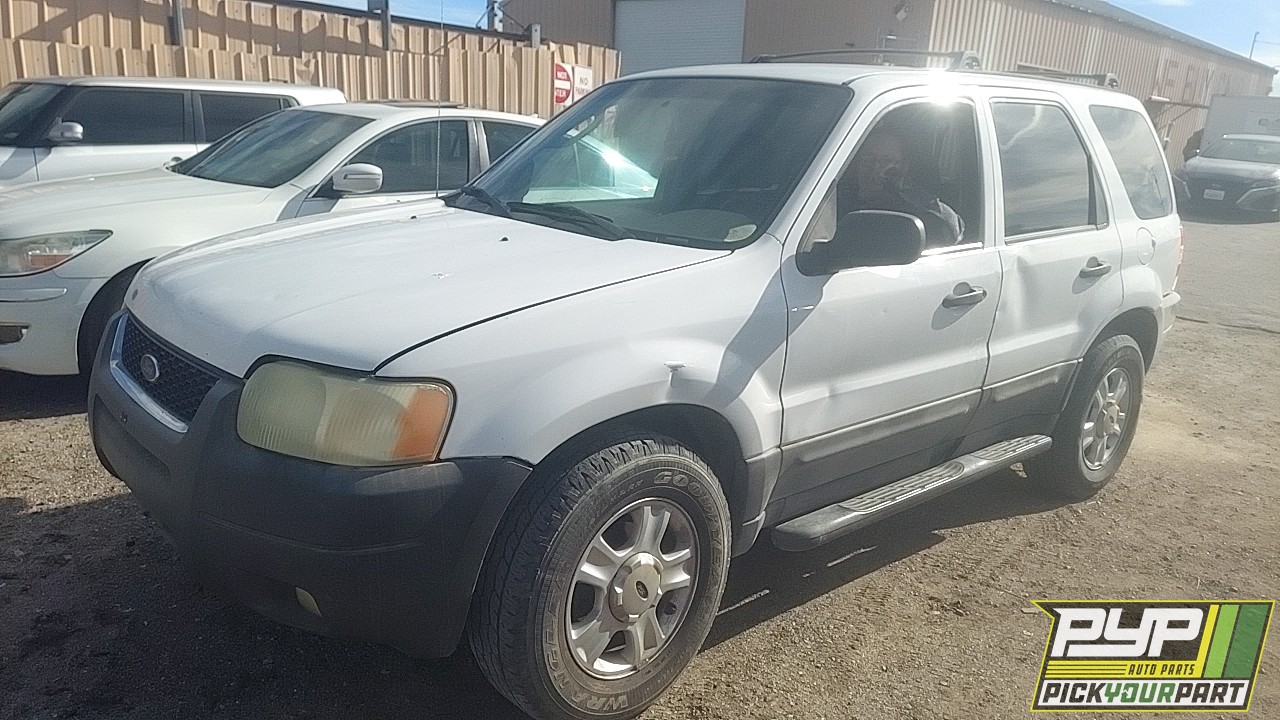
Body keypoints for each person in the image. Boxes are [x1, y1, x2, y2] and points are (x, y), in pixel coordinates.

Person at [843, 128, 965, 247]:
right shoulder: (836, 203)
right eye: (867, 160)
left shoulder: (916, 211)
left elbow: (949, 227)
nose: (876, 169)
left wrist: (898, 192)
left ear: (903, 167)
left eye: (887, 161)